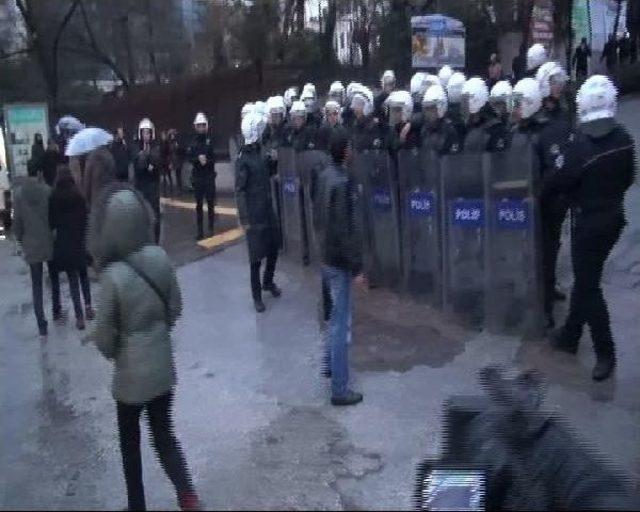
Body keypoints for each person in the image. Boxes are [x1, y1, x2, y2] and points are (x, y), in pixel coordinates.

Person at [88, 184, 201, 511]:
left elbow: (106, 337)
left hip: (130, 379)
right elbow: (176, 308)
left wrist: (114, 348)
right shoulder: (160, 257)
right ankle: (188, 495)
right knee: (164, 434)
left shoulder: (112, 276)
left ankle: (136, 505)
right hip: (163, 368)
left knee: (130, 443)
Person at [547, 75, 635, 382]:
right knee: (588, 280)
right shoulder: (624, 137)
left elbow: (562, 181)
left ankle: (605, 352)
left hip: (587, 223)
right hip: (613, 218)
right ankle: (570, 335)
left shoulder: (580, 145)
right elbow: (628, 178)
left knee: (588, 287)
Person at [316, 127, 364, 406]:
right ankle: (340, 388)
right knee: (340, 322)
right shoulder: (342, 183)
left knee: (333, 315)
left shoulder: (325, 178)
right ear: (345, 151)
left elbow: (319, 217)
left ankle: (328, 365)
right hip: (339, 261)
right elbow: (346, 230)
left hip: (326, 257)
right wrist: (356, 267)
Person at [536, 62, 573, 328]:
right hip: (540, 192)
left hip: (559, 193)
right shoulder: (537, 112)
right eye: (553, 82)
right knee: (542, 251)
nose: (558, 86)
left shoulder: (563, 110)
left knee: (553, 247)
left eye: (559, 81)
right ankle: (543, 301)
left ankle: (549, 290)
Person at [235, 111, 282, 313]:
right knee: (255, 257)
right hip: (254, 213)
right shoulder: (243, 159)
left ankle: (268, 281)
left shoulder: (260, 152)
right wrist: (244, 217)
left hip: (267, 208)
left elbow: (270, 172)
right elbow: (240, 190)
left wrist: (274, 161)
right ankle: (256, 296)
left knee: (274, 247)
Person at [13, 161, 54, 336]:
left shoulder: (19, 194)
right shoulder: (47, 191)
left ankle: (41, 323)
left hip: (31, 243)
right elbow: (53, 216)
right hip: (48, 240)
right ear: (39, 172)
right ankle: (57, 309)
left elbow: (17, 225)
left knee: (36, 284)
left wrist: (22, 241)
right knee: (54, 279)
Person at [49, 166, 92, 330]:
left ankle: (79, 316)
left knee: (73, 280)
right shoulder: (77, 195)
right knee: (84, 275)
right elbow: (85, 217)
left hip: (63, 243)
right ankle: (88, 307)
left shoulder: (53, 197)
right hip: (78, 241)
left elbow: (51, 222)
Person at [186, 113, 216, 241]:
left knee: (210, 203)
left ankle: (210, 227)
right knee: (198, 205)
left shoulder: (210, 141)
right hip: (198, 177)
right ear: (195, 127)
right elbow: (189, 158)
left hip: (209, 176)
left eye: (203, 126)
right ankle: (200, 230)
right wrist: (198, 160)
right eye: (199, 126)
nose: (201, 128)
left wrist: (207, 161)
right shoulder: (193, 143)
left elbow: (214, 158)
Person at [134, 118, 162, 243]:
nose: (147, 135)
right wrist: (146, 163)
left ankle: (155, 241)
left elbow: (156, 165)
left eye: (148, 132)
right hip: (141, 186)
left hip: (153, 186)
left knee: (155, 215)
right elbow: (138, 166)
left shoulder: (155, 147)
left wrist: (148, 162)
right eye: (144, 132)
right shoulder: (137, 148)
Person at [167, 129, 184, 193]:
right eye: (171, 135)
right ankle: (172, 188)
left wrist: (178, 147)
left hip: (177, 160)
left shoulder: (177, 141)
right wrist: (170, 162)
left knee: (178, 175)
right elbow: (169, 152)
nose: (172, 136)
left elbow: (181, 150)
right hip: (172, 160)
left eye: (173, 134)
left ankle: (179, 189)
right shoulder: (169, 142)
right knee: (170, 174)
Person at [159, 130, 174, 197]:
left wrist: (170, 162)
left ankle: (171, 190)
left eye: (163, 135)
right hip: (162, 162)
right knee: (164, 177)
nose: (163, 137)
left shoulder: (168, 143)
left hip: (167, 161)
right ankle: (164, 191)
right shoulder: (161, 143)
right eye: (162, 136)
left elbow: (170, 153)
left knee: (169, 176)